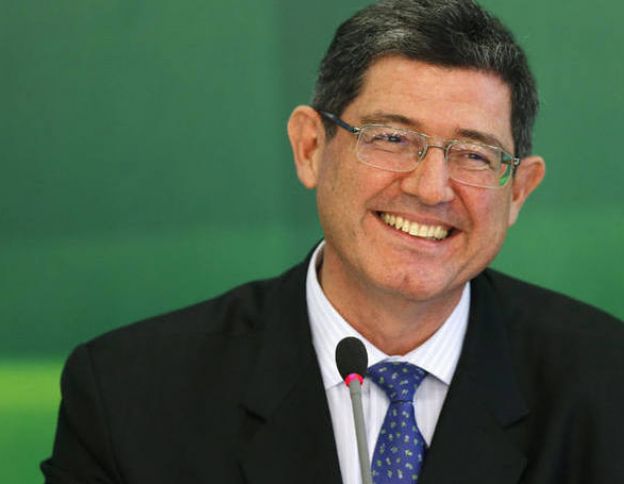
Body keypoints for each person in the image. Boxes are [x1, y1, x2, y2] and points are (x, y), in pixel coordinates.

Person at [42, 0, 623, 483]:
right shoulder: (129, 395)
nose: (430, 188)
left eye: (474, 154)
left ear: (517, 191)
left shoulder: (609, 386)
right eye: (392, 138)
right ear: (311, 148)